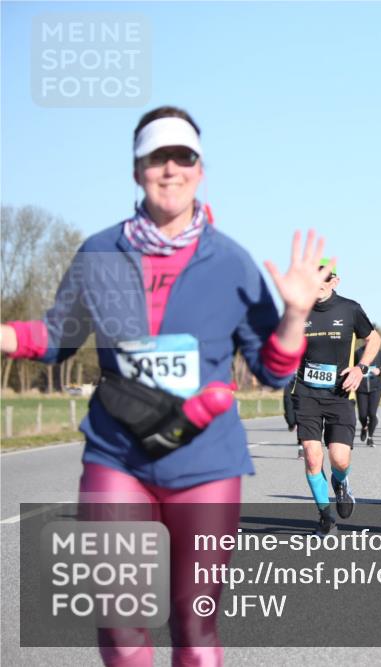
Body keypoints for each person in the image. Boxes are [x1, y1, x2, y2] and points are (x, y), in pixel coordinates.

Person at [0, 105, 324, 666]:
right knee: (121, 624)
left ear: (200, 171)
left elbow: (273, 371)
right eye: (157, 157)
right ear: (136, 170)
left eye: (183, 157)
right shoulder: (98, 253)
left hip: (205, 463)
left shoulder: (231, 263)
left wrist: (294, 316)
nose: (170, 169)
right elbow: (56, 337)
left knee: (195, 624)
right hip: (117, 455)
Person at [292, 260, 381, 534]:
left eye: (324, 277)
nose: (318, 282)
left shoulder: (350, 309)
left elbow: (374, 339)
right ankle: (324, 515)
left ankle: (341, 483)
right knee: (311, 455)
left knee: (339, 459)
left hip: (339, 394)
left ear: (335, 280)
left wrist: (360, 368)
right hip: (306, 393)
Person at [355, 336, 381, 447]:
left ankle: (370, 437)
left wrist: (379, 370)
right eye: (367, 339)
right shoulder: (358, 352)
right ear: (364, 340)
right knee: (362, 415)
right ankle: (364, 427)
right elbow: (352, 367)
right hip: (361, 388)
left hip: (376, 388)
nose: (369, 341)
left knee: (372, 414)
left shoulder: (380, 353)